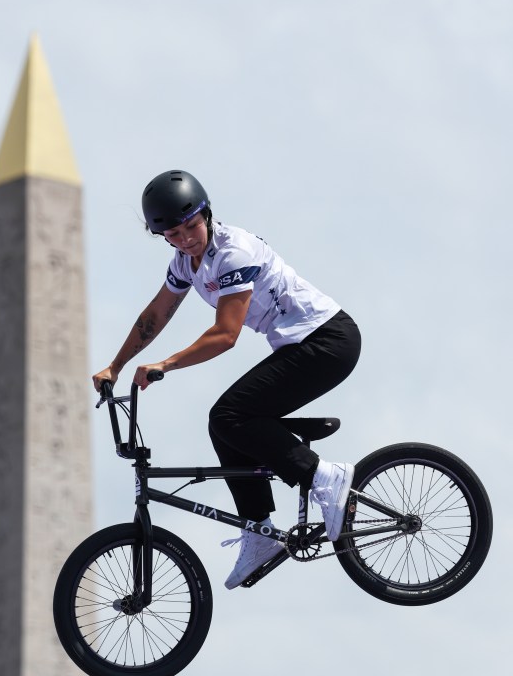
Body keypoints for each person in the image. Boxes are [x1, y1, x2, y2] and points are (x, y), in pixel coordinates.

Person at [93, 170, 361, 589]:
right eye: (173, 234)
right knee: (225, 425)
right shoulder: (185, 262)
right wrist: (116, 365)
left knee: (230, 414)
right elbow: (156, 314)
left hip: (327, 340)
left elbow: (225, 335)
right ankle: (259, 531)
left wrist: (166, 364)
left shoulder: (233, 252)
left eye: (190, 227)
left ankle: (323, 477)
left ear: (207, 215)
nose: (184, 239)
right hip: (300, 345)